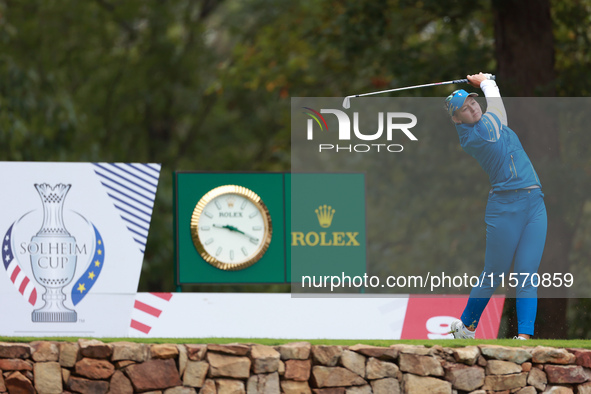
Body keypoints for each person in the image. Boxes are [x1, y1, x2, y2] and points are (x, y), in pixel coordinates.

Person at [445, 72, 547, 340]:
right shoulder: (477, 135)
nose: (472, 108)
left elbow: (499, 115)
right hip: (505, 207)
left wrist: (485, 85)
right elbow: (499, 110)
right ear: (457, 120)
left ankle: (524, 338)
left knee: (527, 274)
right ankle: (466, 326)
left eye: (472, 102)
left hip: (534, 203)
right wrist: (488, 82)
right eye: (464, 110)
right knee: (494, 273)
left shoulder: (491, 125)